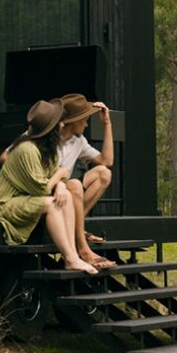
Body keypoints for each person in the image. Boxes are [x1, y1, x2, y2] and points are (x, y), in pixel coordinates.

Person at [0, 99, 97, 274]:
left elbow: (55, 175)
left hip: (26, 198)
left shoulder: (47, 148)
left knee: (65, 195)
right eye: (58, 122)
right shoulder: (27, 149)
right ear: (51, 129)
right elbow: (42, 188)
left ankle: (73, 256)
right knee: (52, 204)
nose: (62, 125)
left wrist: (60, 184)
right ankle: (70, 258)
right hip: (5, 203)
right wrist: (59, 176)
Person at [56, 93, 115, 267]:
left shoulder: (78, 141)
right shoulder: (47, 134)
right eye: (84, 120)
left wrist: (107, 123)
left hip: (65, 189)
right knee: (74, 185)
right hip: (48, 187)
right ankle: (83, 249)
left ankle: (76, 228)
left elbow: (107, 161)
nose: (87, 124)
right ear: (73, 121)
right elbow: (8, 156)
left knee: (104, 173)